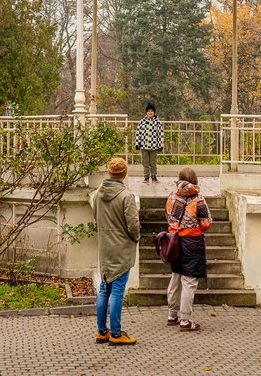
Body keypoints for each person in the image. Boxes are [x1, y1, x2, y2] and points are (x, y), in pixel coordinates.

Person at [94, 157, 140, 346]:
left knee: (104, 288)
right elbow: (133, 225)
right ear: (124, 173)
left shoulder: (97, 194)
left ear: (109, 172)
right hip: (121, 248)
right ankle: (116, 332)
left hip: (105, 247)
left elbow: (95, 217)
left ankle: (101, 331)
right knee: (118, 290)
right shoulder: (126, 196)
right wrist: (135, 237)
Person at [165, 167, 212, 331]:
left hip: (175, 241)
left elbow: (169, 218)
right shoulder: (198, 199)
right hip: (193, 242)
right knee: (189, 281)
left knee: (175, 278)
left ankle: (172, 315)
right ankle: (185, 319)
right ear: (195, 180)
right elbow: (206, 223)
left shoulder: (172, 197)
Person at [135, 102, 163, 182]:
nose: (150, 112)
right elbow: (138, 133)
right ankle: (146, 177)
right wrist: (137, 144)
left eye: (152, 111)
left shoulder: (158, 123)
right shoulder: (141, 122)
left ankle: (154, 177)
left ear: (154, 112)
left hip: (154, 146)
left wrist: (160, 145)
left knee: (153, 162)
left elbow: (160, 135)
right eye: (148, 111)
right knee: (145, 162)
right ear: (146, 112)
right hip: (143, 146)